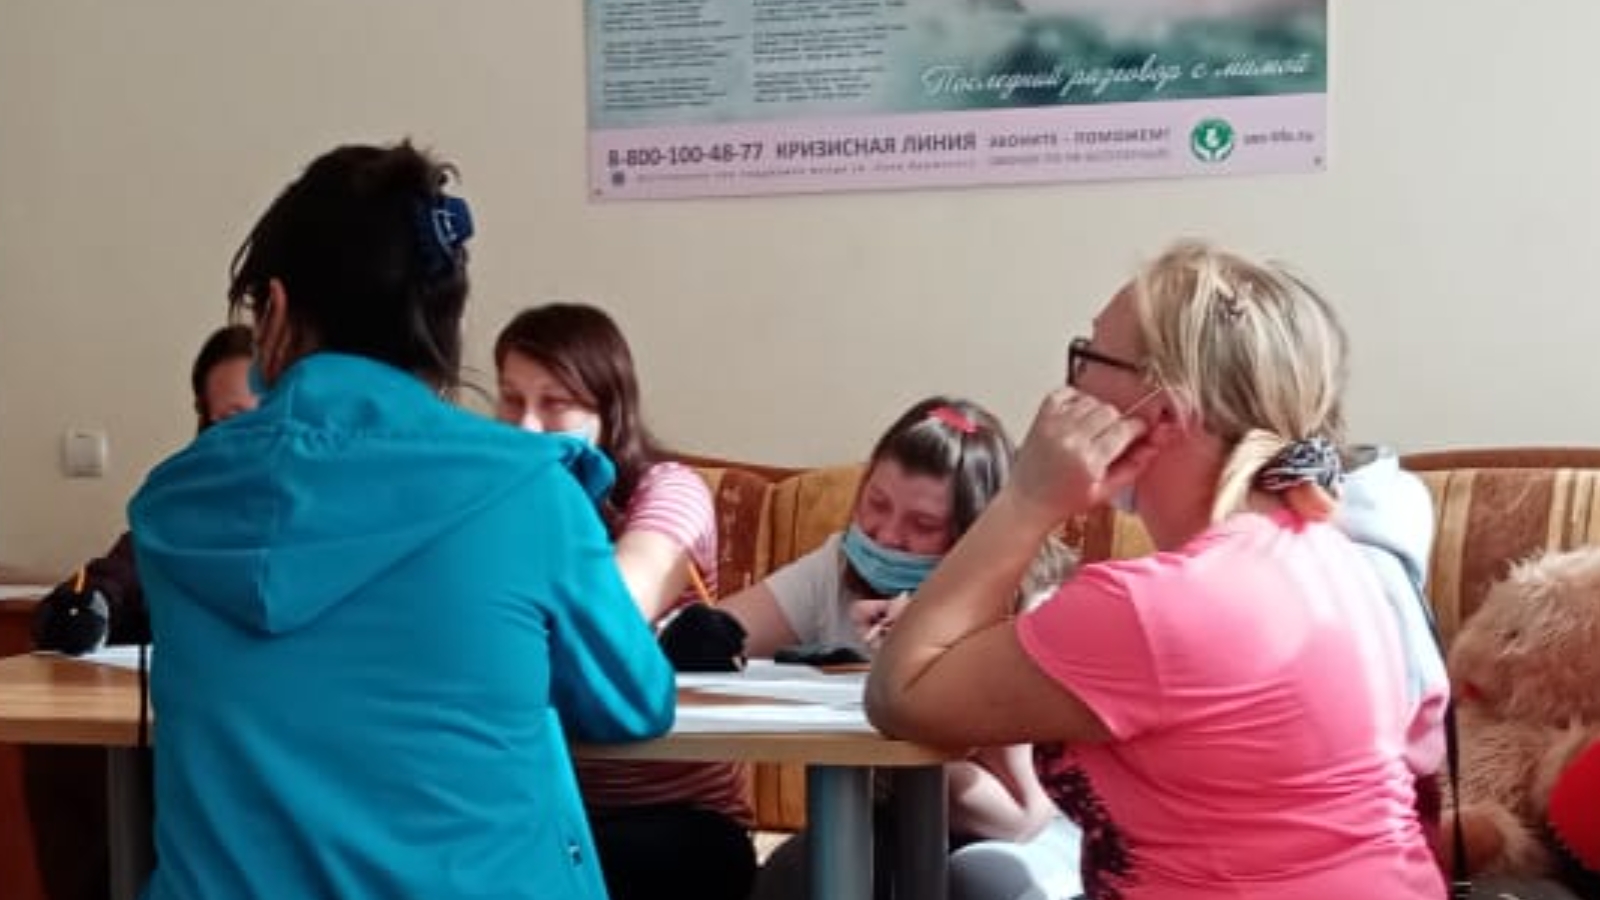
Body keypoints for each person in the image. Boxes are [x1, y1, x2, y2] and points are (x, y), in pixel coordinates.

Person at [128, 141, 675, 900]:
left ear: (274, 311)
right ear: (445, 323)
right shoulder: (529, 491)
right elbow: (633, 702)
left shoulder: (169, 504)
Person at [866, 240, 1445, 899]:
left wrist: (1027, 499)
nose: (1068, 389)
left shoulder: (1157, 607)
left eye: (1089, 358)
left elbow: (901, 695)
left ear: (1164, 412)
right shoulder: (1331, 554)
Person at [711, 395, 1083, 900]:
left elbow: (1019, 815)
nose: (886, 536)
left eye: (923, 525)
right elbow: (722, 632)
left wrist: (917, 664)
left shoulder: (1034, 607)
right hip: (889, 822)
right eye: (876, 503)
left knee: (978, 884)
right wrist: (695, 634)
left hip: (1034, 839)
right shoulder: (837, 570)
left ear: (975, 533)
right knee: (795, 875)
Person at [493, 301, 756, 900]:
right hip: (544, 808)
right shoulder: (492, 503)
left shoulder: (670, 490)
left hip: (679, 817)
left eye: (555, 404)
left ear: (608, 412)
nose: (526, 427)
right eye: (511, 399)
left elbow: (608, 616)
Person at [22, 323, 257, 900]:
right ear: (204, 429)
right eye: (229, 421)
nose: (249, 438)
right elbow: (113, 578)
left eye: (263, 415)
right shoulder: (180, 514)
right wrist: (91, 604)